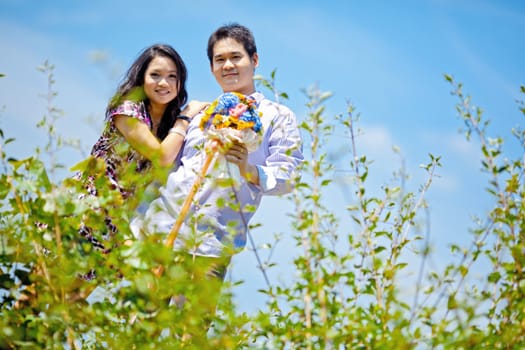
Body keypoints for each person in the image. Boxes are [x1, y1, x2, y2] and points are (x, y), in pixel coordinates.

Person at [130, 24, 303, 302]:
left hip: (212, 246)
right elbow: (165, 168)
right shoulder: (198, 113)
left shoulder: (277, 116)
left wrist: (248, 169)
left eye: (236, 57)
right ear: (211, 68)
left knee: (189, 334)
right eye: (219, 60)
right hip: (159, 231)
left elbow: (287, 177)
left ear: (254, 60)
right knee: (137, 328)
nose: (228, 65)